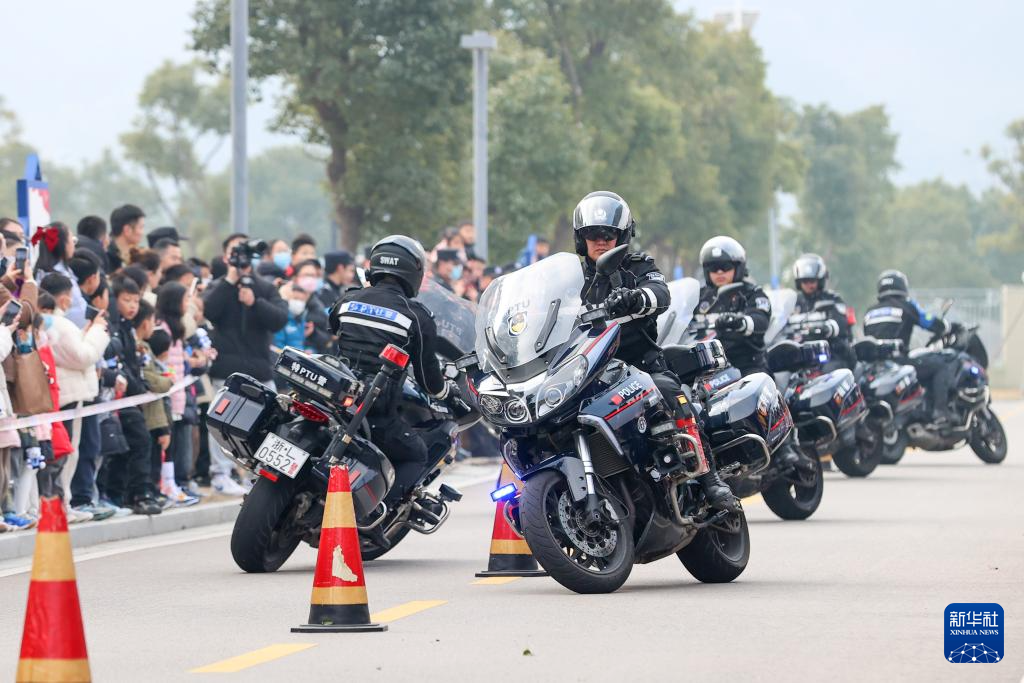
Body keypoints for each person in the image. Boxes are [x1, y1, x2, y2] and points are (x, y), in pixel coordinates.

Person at [573, 191, 737, 511]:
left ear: (622, 236)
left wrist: (637, 298)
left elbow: (660, 292)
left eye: (608, 234)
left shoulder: (638, 265)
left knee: (669, 390)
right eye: (593, 234)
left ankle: (709, 478)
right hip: (585, 373)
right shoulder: (572, 279)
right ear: (581, 239)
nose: (601, 241)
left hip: (639, 365)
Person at [329, 235, 461, 507]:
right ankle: (378, 515)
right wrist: (448, 392)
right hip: (374, 409)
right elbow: (428, 378)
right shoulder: (416, 316)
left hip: (336, 398)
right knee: (416, 453)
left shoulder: (347, 300)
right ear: (414, 272)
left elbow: (333, 326)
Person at [203, 240, 288, 495]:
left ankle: (263, 473)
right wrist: (229, 281)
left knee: (271, 421)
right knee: (220, 421)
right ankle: (221, 473)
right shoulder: (219, 286)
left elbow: (279, 319)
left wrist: (255, 302)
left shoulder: (265, 287)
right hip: (226, 368)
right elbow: (208, 311)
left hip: (260, 367)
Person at [38, 273, 111, 517]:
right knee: (67, 452)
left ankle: (64, 503)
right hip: (68, 396)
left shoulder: (51, 323)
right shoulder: (58, 323)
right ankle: (63, 504)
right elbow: (83, 356)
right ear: (65, 298)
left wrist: (86, 331)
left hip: (64, 394)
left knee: (66, 451)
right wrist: (98, 331)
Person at [863, 269, 955, 423]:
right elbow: (929, 322)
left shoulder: (869, 312)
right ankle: (940, 411)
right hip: (898, 362)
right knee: (940, 367)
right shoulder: (905, 306)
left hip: (874, 367)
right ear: (902, 287)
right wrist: (945, 327)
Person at [694, 236, 771, 376]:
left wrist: (740, 322)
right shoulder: (699, 297)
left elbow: (761, 319)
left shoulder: (752, 293)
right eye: (713, 268)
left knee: (757, 384)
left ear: (738, 267)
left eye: (725, 266)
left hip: (745, 365)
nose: (719, 272)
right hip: (706, 366)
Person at [784, 253, 856, 369]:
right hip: (801, 356)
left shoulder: (832, 299)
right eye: (805, 281)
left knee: (831, 371)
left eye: (812, 281)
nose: (809, 285)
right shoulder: (793, 303)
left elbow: (841, 323)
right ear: (799, 282)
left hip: (830, 353)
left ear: (820, 280)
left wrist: (825, 328)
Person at [34, 223, 88, 328]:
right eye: (72, 240)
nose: (74, 244)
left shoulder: (39, 272)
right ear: (63, 244)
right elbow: (78, 311)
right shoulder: (59, 278)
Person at [108, 204, 146, 271]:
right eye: (141, 227)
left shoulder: (140, 256)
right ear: (127, 230)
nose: (143, 233)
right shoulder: (106, 259)